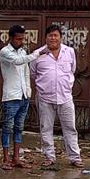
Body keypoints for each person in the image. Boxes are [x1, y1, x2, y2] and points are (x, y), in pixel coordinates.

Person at [30, 23, 82, 168]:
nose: (53, 38)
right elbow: (33, 74)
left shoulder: (69, 52)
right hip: (45, 98)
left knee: (70, 128)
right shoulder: (37, 55)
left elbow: (73, 69)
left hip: (65, 97)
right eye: (50, 35)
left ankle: (75, 157)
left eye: (56, 35)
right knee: (46, 128)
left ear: (60, 37)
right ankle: (49, 157)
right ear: (46, 38)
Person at [0, 24, 34, 170]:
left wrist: (28, 91)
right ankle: (5, 158)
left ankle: (16, 158)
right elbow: (19, 62)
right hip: (11, 96)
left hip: (23, 95)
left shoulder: (23, 52)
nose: (21, 41)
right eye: (18, 39)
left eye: (22, 38)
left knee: (19, 128)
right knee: (7, 127)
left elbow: (26, 73)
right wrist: (37, 54)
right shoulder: (5, 52)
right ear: (11, 38)